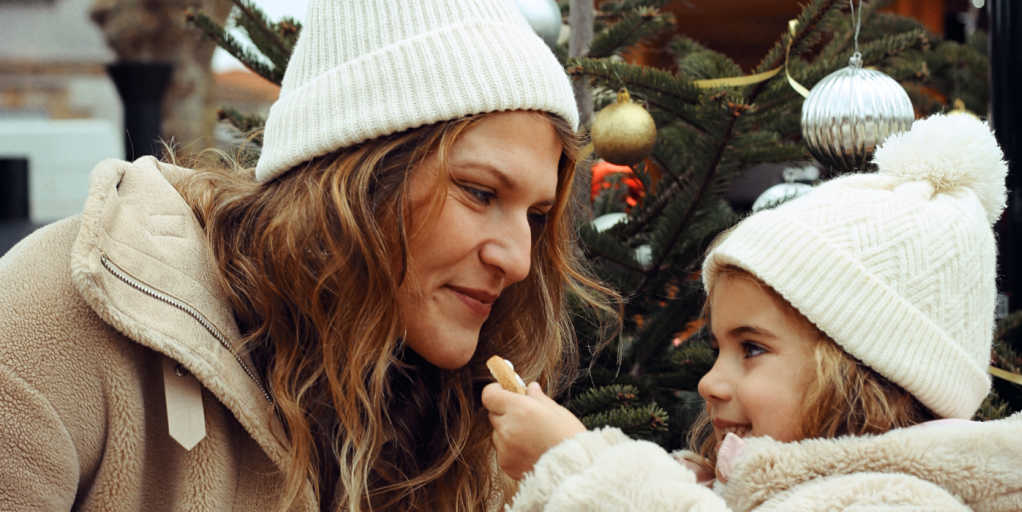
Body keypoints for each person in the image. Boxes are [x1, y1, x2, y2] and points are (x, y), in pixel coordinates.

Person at [0, 0, 618, 510]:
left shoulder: (469, 418)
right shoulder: (60, 314)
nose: (518, 260)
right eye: (480, 192)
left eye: (537, 217)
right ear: (353, 178)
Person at [483, 114, 1022, 510]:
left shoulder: (903, 503)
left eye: (753, 348)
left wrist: (577, 467)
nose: (710, 384)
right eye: (718, 348)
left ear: (871, 376)